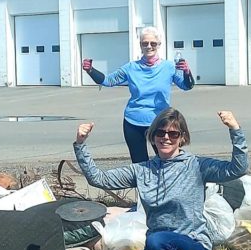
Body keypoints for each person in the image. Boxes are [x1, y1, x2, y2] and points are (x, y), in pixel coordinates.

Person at [73, 107, 248, 250]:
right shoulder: (142, 170)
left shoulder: (197, 165)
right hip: (158, 248)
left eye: (173, 133)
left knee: (157, 240)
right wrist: (80, 144)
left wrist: (235, 129)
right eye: (160, 133)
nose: (166, 138)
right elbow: (99, 179)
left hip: (193, 244)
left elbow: (237, 168)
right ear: (152, 137)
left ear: (182, 138)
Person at [82, 26, 194, 163]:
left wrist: (187, 73)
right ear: (140, 45)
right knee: (139, 164)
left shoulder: (169, 67)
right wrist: (90, 70)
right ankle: (143, 185)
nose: (149, 46)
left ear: (159, 45)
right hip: (133, 121)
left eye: (153, 43)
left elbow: (186, 86)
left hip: (160, 122)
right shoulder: (131, 67)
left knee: (167, 161)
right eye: (144, 43)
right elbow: (107, 80)